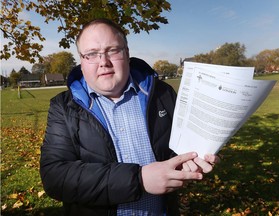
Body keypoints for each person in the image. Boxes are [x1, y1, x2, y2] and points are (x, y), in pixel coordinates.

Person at [40, 18, 219, 216]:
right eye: (91, 54)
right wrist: (139, 179)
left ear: (126, 53)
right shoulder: (63, 107)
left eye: (113, 50)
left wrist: (194, 156)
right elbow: (55, 177)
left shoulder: (162, 94)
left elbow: (177, 148)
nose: (104, 62)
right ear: (82, 61)